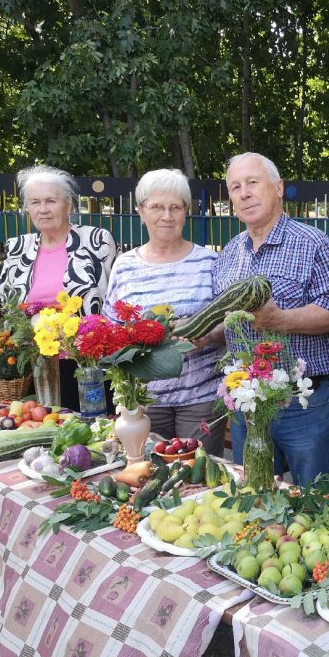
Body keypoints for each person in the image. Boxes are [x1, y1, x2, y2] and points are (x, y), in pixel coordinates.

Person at [213, 152, 329, 486]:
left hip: (303, 404)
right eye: (235, 187)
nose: (244, 193)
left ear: (278, 188)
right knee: (253, 496)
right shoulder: (229, 253)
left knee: (314, 497)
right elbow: (223, 319)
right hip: (247, 402)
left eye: (252, 182)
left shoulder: (312, 242)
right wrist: (199, 333)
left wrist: (279, 320)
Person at [0, 165, 118, 409]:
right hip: (33, 364)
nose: (43, 209)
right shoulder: (18, 248)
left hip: (86, 362)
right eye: (35, 202)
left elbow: (115, 296)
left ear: (68, 205)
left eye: (51, 201)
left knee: (88, 426)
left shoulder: (96, 241)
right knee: (40, 426)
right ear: (27, 208)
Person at [102, 169, 225, 455]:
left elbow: (229, 322)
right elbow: (112, 329)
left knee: (199, 472)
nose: (166, 216)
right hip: (144, 399)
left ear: (186, 212)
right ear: (141, 211)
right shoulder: (125, 265)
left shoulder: (210, 262)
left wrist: (207, 336)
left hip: (201, 398)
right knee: (146, 471)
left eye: (175, 207)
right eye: (157, 207)